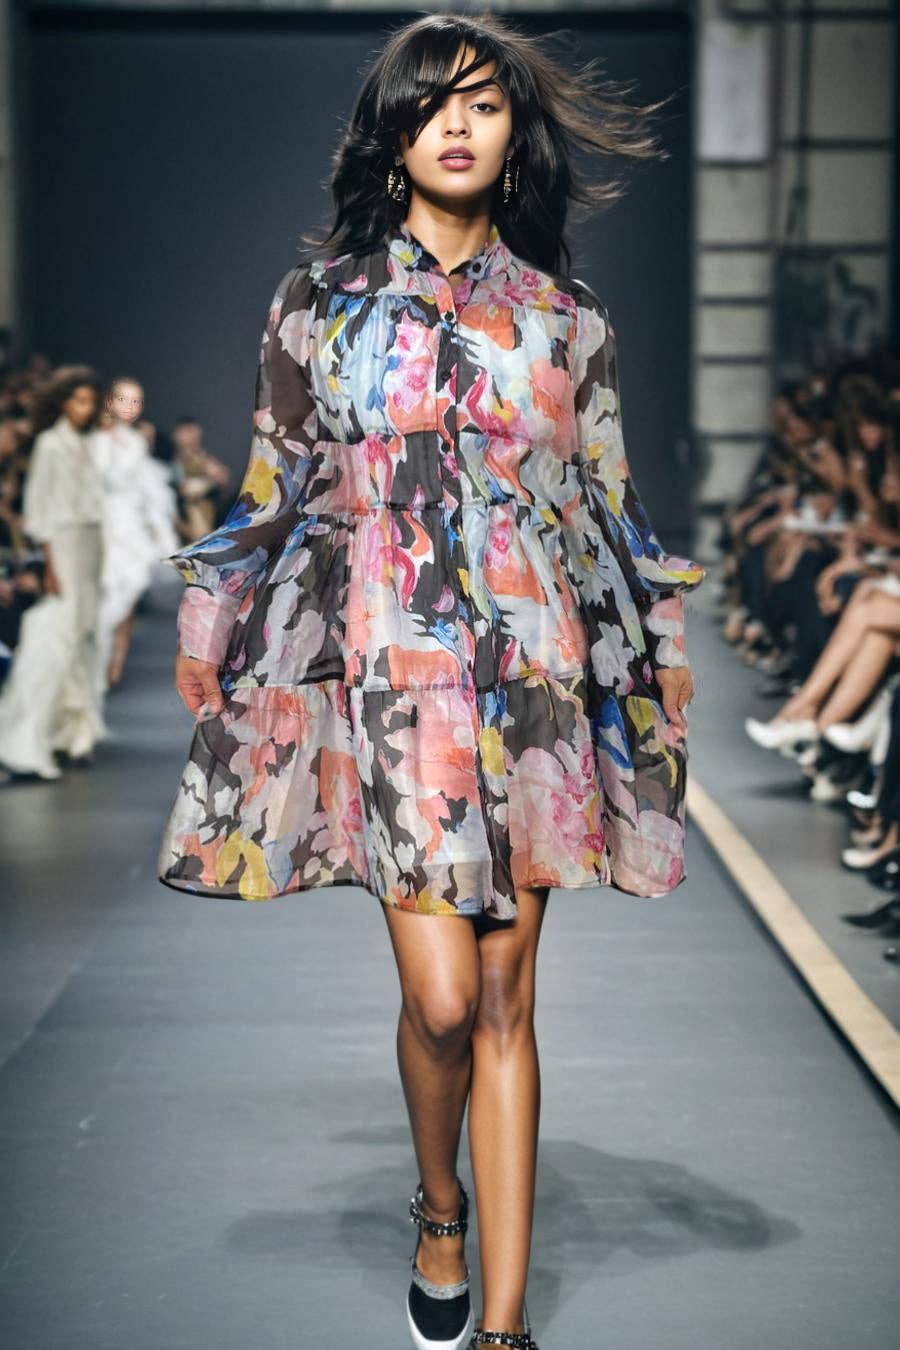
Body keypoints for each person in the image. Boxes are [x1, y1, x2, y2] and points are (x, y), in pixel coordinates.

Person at [157, 15, 704, 1350]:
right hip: (394, 682)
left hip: (533, 677)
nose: (456, 124)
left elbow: (612, 503)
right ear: (391, 133)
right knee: (443, 1003)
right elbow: (275, 480)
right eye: (429, 103)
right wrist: (206, 616)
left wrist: (662, 661)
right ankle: (440, 1202)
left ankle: (505, 1325)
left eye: (483, 103)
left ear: (518, 134)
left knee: (507, 1000)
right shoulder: (321, 302)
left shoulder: (568, 319)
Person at [0, 367, 107, 779]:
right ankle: (24, 743)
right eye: (78, 400)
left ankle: (73, 734)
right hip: (62, 546)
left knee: (82, 639)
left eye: (91, 401)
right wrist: (48, 564)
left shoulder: (88, 444)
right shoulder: (49, 444)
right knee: (54, 641)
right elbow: (38, 508)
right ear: (62, 402)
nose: (86, 408)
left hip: (90, 546)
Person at [93, 376, 179, 689]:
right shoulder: (93, 439)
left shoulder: (137, 442)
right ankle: (97, 665)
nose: (130, 407)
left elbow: (147, 492)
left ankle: (114, 666)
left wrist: (161, 535)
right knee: (102, 597)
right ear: (109, 401)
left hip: (129, 526)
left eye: (136, 401)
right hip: (99, 524)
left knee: (128, 594)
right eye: (123, 399)